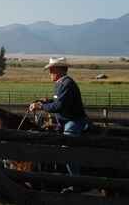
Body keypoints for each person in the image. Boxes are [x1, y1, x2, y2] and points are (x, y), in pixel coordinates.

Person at [29, 57, 89, 193]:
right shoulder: (61, 83)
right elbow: (58, 101)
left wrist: (41, 106)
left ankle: (77, 182)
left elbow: (59, 105)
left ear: (59, 70)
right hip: (65, 121)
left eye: (51, 69)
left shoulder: (67, 84)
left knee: (66, 148)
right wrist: (47, 101)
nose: (49, 72)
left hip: (74, 121)